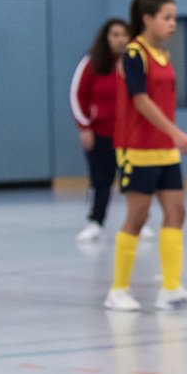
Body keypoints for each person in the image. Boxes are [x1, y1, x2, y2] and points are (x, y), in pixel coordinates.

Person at [104, 0, 187, 312]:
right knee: (138, 216)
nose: (173, 24)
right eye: (166, 17)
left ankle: (171, 289)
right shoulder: (134, 54)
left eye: (175, 18)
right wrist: (175, 132)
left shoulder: (163, 54)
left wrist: (170, 138)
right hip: (138, 148)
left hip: (164, 150)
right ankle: (118, 290)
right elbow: (140, 100)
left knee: (177, 213)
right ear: (148, 19)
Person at [71, 18, 128, 242]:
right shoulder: (91, 63)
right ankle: (95, 221)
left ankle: (138, 221)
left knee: (134, 180)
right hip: (100, 133)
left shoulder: (133, 62)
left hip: (128, 135)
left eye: (124, 34)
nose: (120, 39)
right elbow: (78, 95)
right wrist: (85, 127)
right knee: (101, 179)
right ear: (106, 37)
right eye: (115, 34)